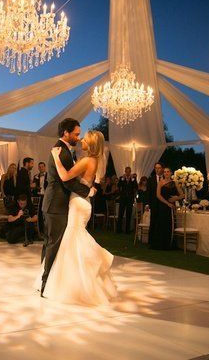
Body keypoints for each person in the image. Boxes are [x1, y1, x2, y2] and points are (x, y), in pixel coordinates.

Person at [37, 127, 117, 306]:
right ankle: (77, 281)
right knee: (72, 240)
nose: (82, 140)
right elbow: (91, 183)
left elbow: (65, 177)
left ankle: (75, 285)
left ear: (92, 144)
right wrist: (90, 189)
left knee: (73, 241)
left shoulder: (87, 159)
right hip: (83, 202)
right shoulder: (93, 160)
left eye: (85, 139)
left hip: (78, 203)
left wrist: (56, 157)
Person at [149, 167, 183, 250]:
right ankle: (160, 244)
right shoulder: (160, 182)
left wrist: (176, 198)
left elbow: (182, 195)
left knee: (169, 225)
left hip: (171, 207)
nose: (166, 173)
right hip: (162, 206)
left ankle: (169, 244)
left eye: (168, 171)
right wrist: (167, 203)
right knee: (161, 224)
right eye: (165, 172)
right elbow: (158, 195)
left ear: (171, 173)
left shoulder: (175, 183)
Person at [146, 162, 164, 248]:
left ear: (162, 169)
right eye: (156, 168)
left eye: (159, 168)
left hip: (163, 204)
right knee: (153, 222)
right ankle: (151, 241)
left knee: (161, 222)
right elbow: (148, 193)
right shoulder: (151, 179)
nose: (157, 169)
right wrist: (148, 204)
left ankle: (160, 241)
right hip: (154, 204)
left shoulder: (165, 179)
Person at [116, 167, 138, 234]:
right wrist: (122, 179)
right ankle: (119, 230)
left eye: (129, 171)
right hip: (123, 198)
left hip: (130, 199)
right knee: (120, 214)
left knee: (129, 214)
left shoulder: (133, 178)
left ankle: (127, 230)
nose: (128, 173)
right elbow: (119, 186)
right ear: (125, 171)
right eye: (127, 171)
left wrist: (132, 179)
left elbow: (136, 187)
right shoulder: (121, 178)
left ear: (130, 171)